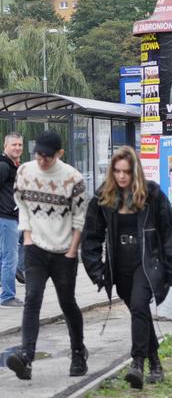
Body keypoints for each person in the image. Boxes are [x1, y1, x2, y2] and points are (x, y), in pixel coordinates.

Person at [81, 146, 172, 389]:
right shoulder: (103, 197)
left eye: (126, 172)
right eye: (117, 171)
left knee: (140, 305)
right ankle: (155, 362)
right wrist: (96, 270)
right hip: (120, 266)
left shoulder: (152, 194)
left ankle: (137, 363)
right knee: (139, 313)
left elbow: (171, 230)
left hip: (148, 262)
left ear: (135, 172)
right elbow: (92, 236)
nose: (121, 176)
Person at [7, 131, 88, 380]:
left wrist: (72, 250)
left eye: (48, 157)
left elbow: (80, 219)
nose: (42, 161)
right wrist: (27, 236)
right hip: (36, 248)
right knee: (32, 298)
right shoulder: (25, 172)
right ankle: (26, 356)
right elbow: (20, 203)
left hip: (64, 251)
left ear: (59, 154)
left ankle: (78, 352)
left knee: (67, 302)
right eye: (39, 155)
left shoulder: (73, 178)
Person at [0, 133, 23, 308]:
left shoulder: (13, 166)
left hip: (11, 217)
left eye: (20, 145)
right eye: (13, 144)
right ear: (5, 146)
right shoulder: (4, 166)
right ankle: (8, 296)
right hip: (6, 218)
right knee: (10, 258)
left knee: (5, 257)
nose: (17, 147)